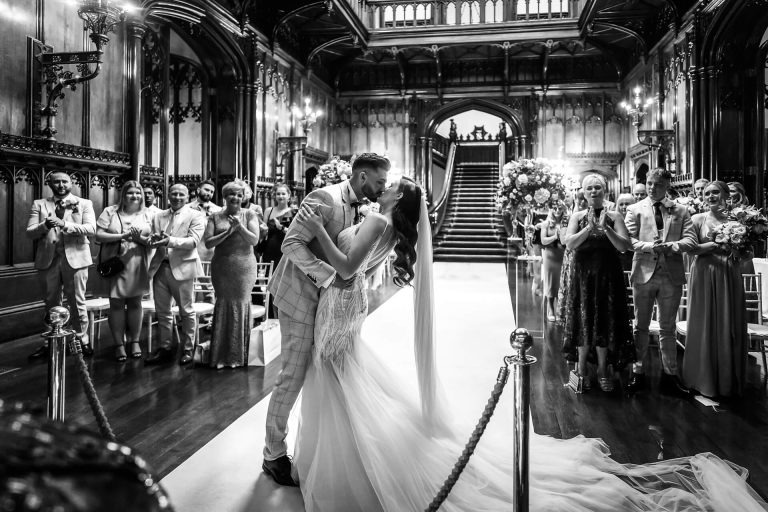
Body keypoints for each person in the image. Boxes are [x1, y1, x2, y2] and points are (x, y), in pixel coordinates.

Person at [289, 177, 768, 512]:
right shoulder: (387, 225)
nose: (385, 185)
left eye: (391, 185)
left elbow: (347, 268)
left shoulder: (378, 221)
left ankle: (348, 467)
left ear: (397, 198)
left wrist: (312, 230)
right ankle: (344, 458)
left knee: (338, 378)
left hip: (339, 302)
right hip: (342, 306)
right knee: (342, 377)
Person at [262, 152, 391, 486]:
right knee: (292, 374)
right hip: (298, 296)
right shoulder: (324, 198)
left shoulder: (365, 207)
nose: (383, 187)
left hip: (327, 303)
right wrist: (329, 276)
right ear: (362, 177)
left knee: (321, 372)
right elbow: (290, 244)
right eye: (379, 182)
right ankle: (273, 453)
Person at [624, 169, 696, 396]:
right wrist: (649, 247)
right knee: (640, 325)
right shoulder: (634, 209)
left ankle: (670, 375)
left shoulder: (681, 210)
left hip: (671, 274)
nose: (652, 187)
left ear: (667, 185)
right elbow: (628, 240)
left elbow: (691, 239)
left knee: (667, 327)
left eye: (657, 184)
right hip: (644, 272)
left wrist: (672, 246)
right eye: (649, 183)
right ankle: (638, 372)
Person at [563, 174, 634, 392]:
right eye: (589, 188)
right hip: (583, 277)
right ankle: (581, 368)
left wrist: (607, 229)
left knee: (605, 319)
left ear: (605, 191)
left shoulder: (615, 216)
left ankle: (604, 369)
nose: (593, 191)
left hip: (608, 277)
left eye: (597, 188)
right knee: (583, 319)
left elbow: (624, 246)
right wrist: (589, 228)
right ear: (583, 193)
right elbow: (569, 243)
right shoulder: (577, 216)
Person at [683, 181, 749, 398]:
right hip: (704, 273)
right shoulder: (697, 219)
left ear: (725, 195)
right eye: (706, 193)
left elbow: (747, 254)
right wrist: (719, 243)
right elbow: (691, 250)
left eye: (715, 192)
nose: (710, 196)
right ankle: (703, 379)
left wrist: (737, 245)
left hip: (730, 273)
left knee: (729, 321)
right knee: (705, 322)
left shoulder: (738, 219)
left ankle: (728, 381)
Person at [26, 171, 96, 359]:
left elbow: (91, 229)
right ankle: (51, 342)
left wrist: (64, 224)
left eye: (64, 181)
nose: (61, 185)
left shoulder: (84, 203)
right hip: (48, 259)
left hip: (76, 258)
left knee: (77, 301)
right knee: (51, 302)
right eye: (56, 182)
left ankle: (82, 340)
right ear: (50, 184)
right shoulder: (39, 204)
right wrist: (46, 225)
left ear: (71, 183)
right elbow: (30, 232)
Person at [145, 184, 205, 366]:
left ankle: (188, 349)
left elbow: (193, 241)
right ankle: (165, 348)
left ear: (188, 197)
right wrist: (150, 241)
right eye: (173, 193)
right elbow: (154, 239)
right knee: (162, 312)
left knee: (186, 310)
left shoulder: (196, 215)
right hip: (160, 267)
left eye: (181, 194)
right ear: (168, 196)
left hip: (183, 267)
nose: (177, 197)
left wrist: (169, 240)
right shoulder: (158, 215)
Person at [203, 180, 261, 369]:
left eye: (238, 194)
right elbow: (208, 243)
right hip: (222, 267)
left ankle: (239, 355)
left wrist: (240, 228)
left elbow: (254, 240)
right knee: (223, 302)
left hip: (244, 267)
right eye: (231, 194)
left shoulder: (249, 214)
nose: (235, 198)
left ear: (243, 197)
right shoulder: (215, 216)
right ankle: (220, 354)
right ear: (224, 197)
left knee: (241, 303)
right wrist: (228, 232)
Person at [95, 181, 153, 362]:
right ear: (123, 195)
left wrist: (139, 239)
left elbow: (153, 240)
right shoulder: (110, 211)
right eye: (130, 193)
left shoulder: (149, 214)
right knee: (116, 304)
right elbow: (98, 235)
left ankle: (135, 341)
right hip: (115, 262)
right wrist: (122, 236)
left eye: (138, 193)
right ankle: (119, 344)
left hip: (137, 262)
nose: (135, 196)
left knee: (136, 303)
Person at [258, 183, 295, 316]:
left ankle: (284, 314)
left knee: (285, 283)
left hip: (285, 251)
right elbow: (263, 233)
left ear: (289, 196)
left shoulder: (294, 211)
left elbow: (295, 234)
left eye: (283, 193)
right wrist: (262, 231)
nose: (280, 196)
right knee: (271, 282)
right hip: (270, 250)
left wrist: (281, 228)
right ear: (274, 195)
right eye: (278, 194)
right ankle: (271, 314)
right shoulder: (269, 211)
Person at [538, 202, 566, 321]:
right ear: (551, 210)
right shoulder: (546, 224)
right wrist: (555, 236)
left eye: (560, 208)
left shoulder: (567, 223)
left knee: (562, 282)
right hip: (550, 256)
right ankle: (550, 309)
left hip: (563, 255)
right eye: (555, 208)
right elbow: (543, 241)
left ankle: (560, 309)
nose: (557, 211)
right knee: (550, 282)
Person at [189, 179, 222, 263]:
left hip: (211, 252)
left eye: (212, 192)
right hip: (191, 252)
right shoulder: (187, 208)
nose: (209, 193)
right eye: (206, 190)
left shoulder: (218, 210)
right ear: (198, 190)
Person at [615, 193, 636, 271]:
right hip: (619, 257)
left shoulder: (638, 219)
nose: (624, 207)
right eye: (621, 204)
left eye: (627, 204)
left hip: (634, 255)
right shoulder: (614, 220)